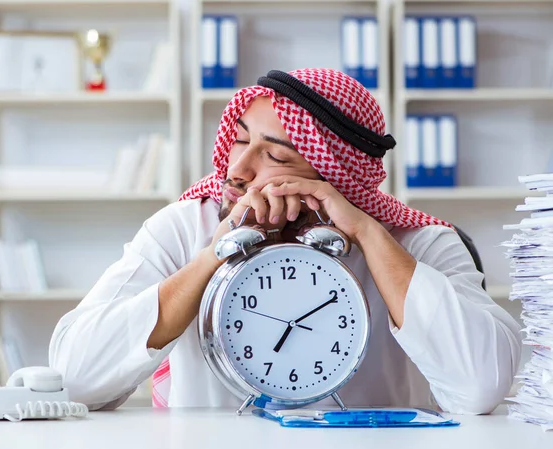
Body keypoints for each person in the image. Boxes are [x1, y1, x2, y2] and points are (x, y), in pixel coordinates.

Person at [49, 68, 521, 414]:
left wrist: (367, 233)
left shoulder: (422, 243)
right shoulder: (184, 228)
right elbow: (74, 376)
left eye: (274, 154)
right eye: (239, 140)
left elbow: (480, 386)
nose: (238, 169)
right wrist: (214, 255)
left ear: (334, 175)